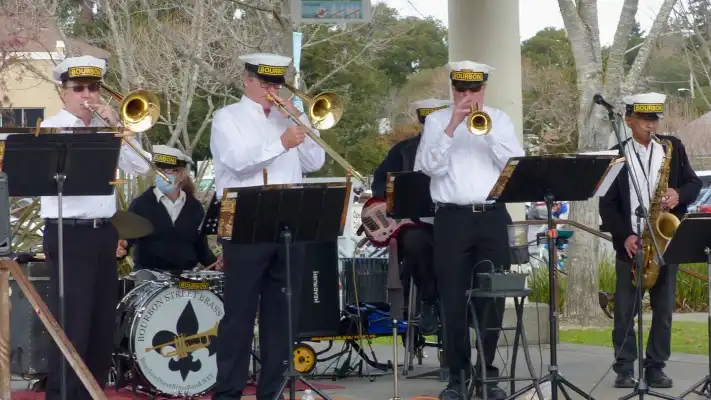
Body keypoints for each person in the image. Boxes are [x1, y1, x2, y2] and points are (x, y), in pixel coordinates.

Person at [209, 52, 325, 400]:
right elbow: (238, 162)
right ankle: (228, 392)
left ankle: (272, 392)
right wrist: (281, 142)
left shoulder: (286, 118)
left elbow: (315, 161)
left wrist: (302, 120)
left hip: (290, 221)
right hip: (244, 222)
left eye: (277, 84)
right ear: (246, 80)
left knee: (283, 317)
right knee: (239, 316)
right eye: (264, 83)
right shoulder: (226, 117)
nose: (271, 90)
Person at [40, 55, 152, 400]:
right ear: (63, 93)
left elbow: (140, 167)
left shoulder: (109, 128)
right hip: (68, 232)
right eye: (78, 89)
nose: (86, 95)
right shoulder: (50, 128)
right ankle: (63, 393)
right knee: (72, 322)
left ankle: (93, 391)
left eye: (93, 88)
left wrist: (118, 128)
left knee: (102, 321)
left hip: (104, 231)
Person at [415, 61, 525, 400]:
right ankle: (457, 378)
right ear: (453, 89)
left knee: (493, 299)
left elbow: (514, 164)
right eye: (460, 89)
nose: (467, 95)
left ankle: (487, 373)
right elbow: (429, 168)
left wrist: (486, 131)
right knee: (453, 299)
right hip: (452, 218)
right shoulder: (436, 120)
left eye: (473, 89)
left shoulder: (500, 120)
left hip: (492, 216)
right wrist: (452, 126)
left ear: (483, 89)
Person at [599, 92, 701, 389]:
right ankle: (624, 367)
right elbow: (607, 204)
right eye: (644, 119)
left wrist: (678, 194)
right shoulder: (617, 154)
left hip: (665, 242)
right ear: (629, 120)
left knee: (664, 311)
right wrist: (625, 235)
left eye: (654, 119)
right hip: (632, 242)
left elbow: (693, 183)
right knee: (625, 311)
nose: (650, 125)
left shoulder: (673, 148)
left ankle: (656, 366)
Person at [371, 98, 451, 335]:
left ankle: (462, 308)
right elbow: (379, 184)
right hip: (417, 224)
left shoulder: (460, 147)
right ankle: (428, 302)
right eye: (427, 122)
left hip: (454, 222)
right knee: (415, 243)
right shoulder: (403, 151)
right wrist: (395, 200)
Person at [116, 145, 221, 273]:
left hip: (185, 278)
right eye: (161, 171)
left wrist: (216, 264)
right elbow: (126, 241)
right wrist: (121, 248)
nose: (165, 175)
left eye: (171, 171)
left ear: (182, 174)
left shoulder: (194, 207)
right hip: (150, 278)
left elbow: (201, 248)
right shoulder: (141, 204)